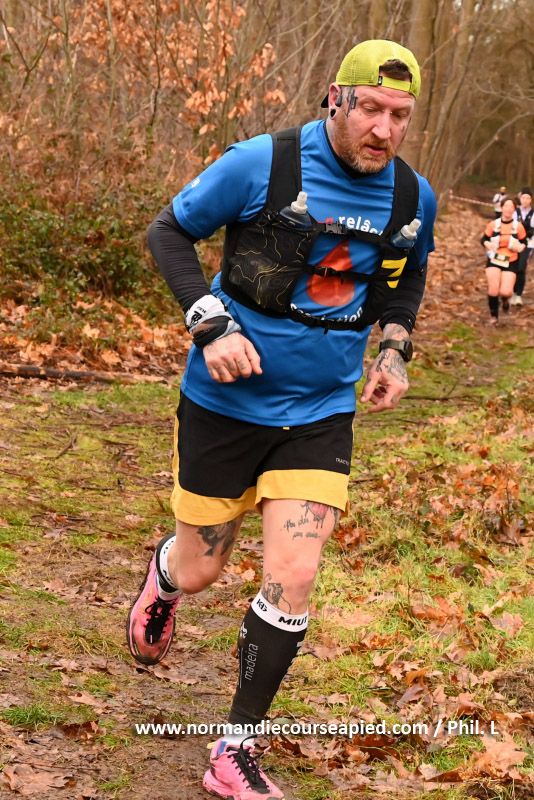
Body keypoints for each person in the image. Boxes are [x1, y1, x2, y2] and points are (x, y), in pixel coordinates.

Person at [127, 39, 436, 800]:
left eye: (400, 116)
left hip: (321, 412)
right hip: (225, 405)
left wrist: (394, 349)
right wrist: (209, 324)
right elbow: (168, 232)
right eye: (371, 109)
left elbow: (406, 274)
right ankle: (165, 577)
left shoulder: (411, 197)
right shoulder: (261, 163)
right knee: (202, 569)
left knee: (295, 575)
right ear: (336, 98)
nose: (385, 130)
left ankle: (234, 748)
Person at [481, 196, 527, 324]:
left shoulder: (518, 226)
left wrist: (521, 247)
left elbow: (524, 241)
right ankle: (494, 317)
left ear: (514, 210)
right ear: (501, 208)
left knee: (505, 292)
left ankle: (505, 299)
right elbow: (484, 239)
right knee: (493, 290)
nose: (508, 209)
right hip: (494, 258)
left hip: (511, 259)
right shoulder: (493, 224)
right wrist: (487, 244)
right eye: (506, 206)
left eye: (511, 207)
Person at [511, 187, 534, 306]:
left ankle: (518, 295)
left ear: (531, 200)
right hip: (514, 243)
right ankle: (512, 292)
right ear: (520, 199)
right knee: (512, 267)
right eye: (523, 198)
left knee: (521, 268)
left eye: (528, 198)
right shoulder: (515, 212)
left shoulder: (533, 214)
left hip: (528, 244)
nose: (525, 200)